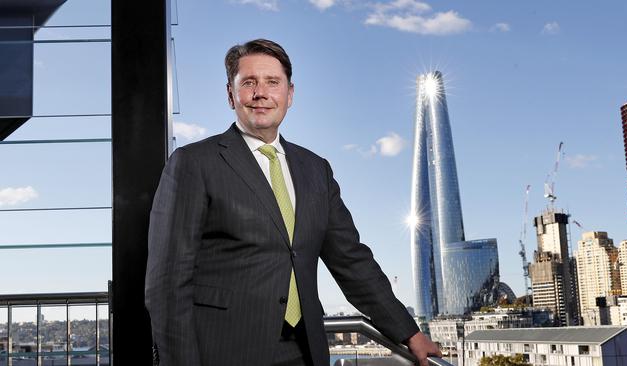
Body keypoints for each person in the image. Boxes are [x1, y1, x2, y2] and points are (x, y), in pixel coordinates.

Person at [144, 38, 441, 366]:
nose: (261, 93)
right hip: (224, 350)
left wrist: (408, 332)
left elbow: (352, 261)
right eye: (248, 83)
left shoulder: (316, 170)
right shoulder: (194, 163)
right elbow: (166, 284)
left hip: (304, 351)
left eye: (273, 82)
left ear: (290, 94)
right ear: (231, 95)